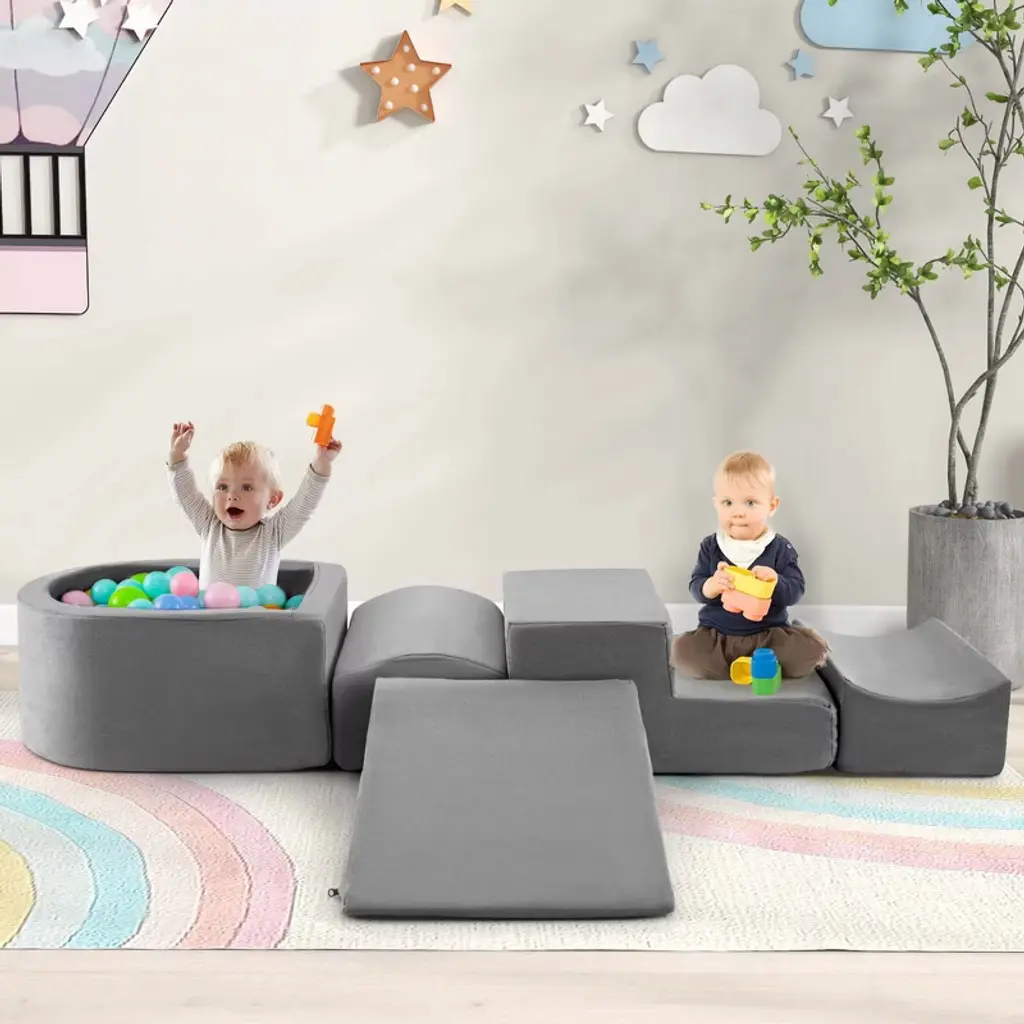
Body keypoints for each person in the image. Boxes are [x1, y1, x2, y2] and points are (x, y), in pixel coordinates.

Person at [671, 450, 828, 680]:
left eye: (750, 503)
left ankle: (765, 657)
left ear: (771, 506)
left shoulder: (779, 547)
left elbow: (796, 589)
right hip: (718, 636)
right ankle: (745, 666)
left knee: (811, 653)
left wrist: (775, 581)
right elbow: (696, 585)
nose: (738, 512)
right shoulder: (711, 546)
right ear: (716, 504)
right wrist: (711, 586)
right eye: (727, 503)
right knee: (682, 653)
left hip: (769, 635)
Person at [166, 420, 342, 590]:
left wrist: (322, 462)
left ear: (272, 500)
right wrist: (177, 455)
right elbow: (185, 494)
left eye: (246, 487)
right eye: (223, 487)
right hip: (210, 612)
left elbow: (304, 503)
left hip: (257, 612)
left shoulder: (273, 533)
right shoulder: (210, 526)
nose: (232, 496)